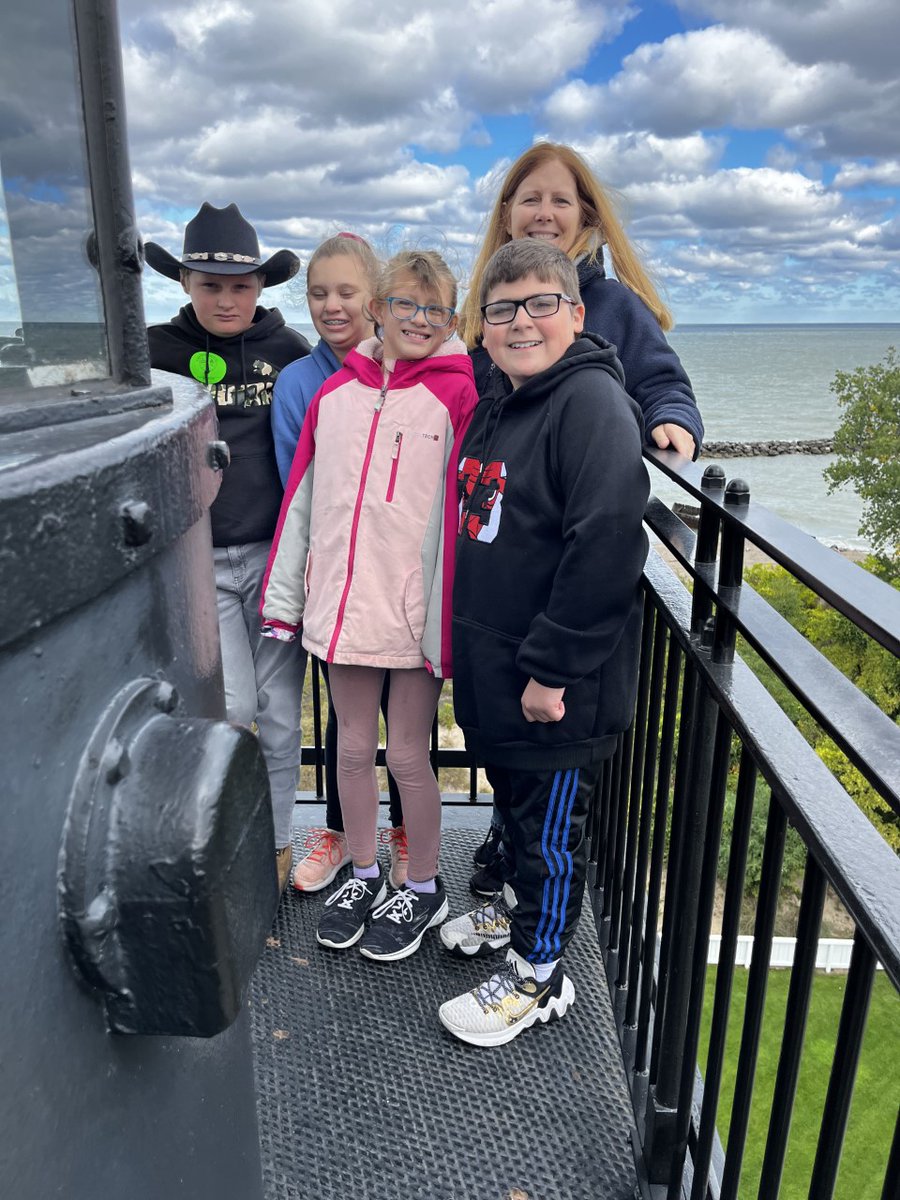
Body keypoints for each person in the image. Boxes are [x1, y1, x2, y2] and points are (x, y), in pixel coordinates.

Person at [458, 140, 703, 896]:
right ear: (506, 214)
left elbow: (661, 379)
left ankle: (539, 954)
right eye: (529, 198)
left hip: (558, 594)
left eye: (561, 200)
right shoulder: (488, 308)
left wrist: (670, 423)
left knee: (550, 792)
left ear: (586, 216)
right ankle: (507, 866)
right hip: (504, 583)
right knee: (516, 766)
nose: (544, 212)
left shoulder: (609, 306)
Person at [438, 239, 649, 1045]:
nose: (521, 321)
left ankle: (539, 976)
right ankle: (511, 922)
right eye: (502, 309)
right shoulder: (500, 398)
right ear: (483, 328)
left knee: (550, 837)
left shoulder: (588, 404)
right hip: (499, 667)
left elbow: (605, 543)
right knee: (516, 817)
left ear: (576, 314)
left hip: (557, 684)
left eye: (540, 304)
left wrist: (553, 669)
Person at [261, 250, 478, 961]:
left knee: (411, 758)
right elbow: (301, 507)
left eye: (435, 309)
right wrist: (288, 598)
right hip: (344, 612)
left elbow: (465, 519)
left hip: (413, 618)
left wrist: (449, 620)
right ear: (377, 310)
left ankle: (420, 886)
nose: (419, 320)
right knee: (353, 751)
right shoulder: (334, 398)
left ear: (451, 318)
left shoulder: (457, 398)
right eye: (405, 305)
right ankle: (362, 873)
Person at [145, 202, 311, 894]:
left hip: (277, 561)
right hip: (200, 561)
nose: (226, 298)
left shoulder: (290, 353)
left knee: (277, 720)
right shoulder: (150, 353)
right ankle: (221, 844)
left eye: (241, 285)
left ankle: (273, 851)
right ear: (184, 282)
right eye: (210, 284)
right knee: (233, 706)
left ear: (261, 288)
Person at [271, 232, 408, 896]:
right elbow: (295, 485)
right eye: (319, 294)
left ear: (376, 299)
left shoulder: (408, 363)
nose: (332, 306)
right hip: (340, 575)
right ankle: (339, 834)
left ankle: (407, 834)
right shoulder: (300, 382)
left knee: (408, 717)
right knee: (345, 716)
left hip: (404, 576)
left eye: (347, 293)